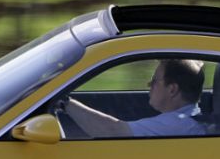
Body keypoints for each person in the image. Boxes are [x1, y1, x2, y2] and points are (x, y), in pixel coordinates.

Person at [60, 59, 206, 138]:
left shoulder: (177, 124)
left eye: (154, 81)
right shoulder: (186, 121)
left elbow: (113, 132)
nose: (149, 84)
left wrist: (65, 102)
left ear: (172, 89)